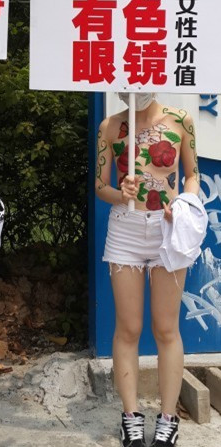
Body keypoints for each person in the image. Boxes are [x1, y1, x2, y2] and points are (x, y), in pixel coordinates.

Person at [95, 93, 201, 447]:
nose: (137, 86)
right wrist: (119, 193)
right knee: (128, 327)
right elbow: (100, 186)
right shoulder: (110, 126)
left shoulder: (180, 120)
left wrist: (184, 203)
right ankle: (130, 417)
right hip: (125, 229)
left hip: (168, 228)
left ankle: (168, 418)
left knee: (166, 328)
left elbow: (192, 175)